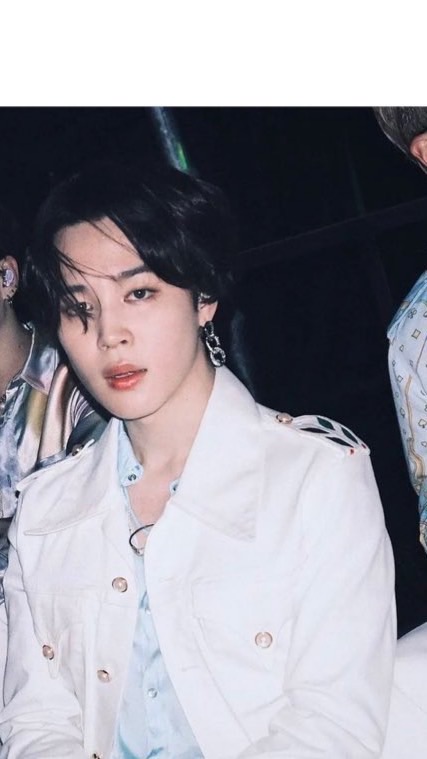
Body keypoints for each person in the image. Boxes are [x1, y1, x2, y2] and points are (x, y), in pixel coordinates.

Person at [0, 161, 396, 758]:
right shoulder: (43, 509)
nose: (110, 334)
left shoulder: (314, 477)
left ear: (203, 297)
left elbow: (332, 726)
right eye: (80, 307)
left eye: (139, 293)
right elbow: (35, 724)